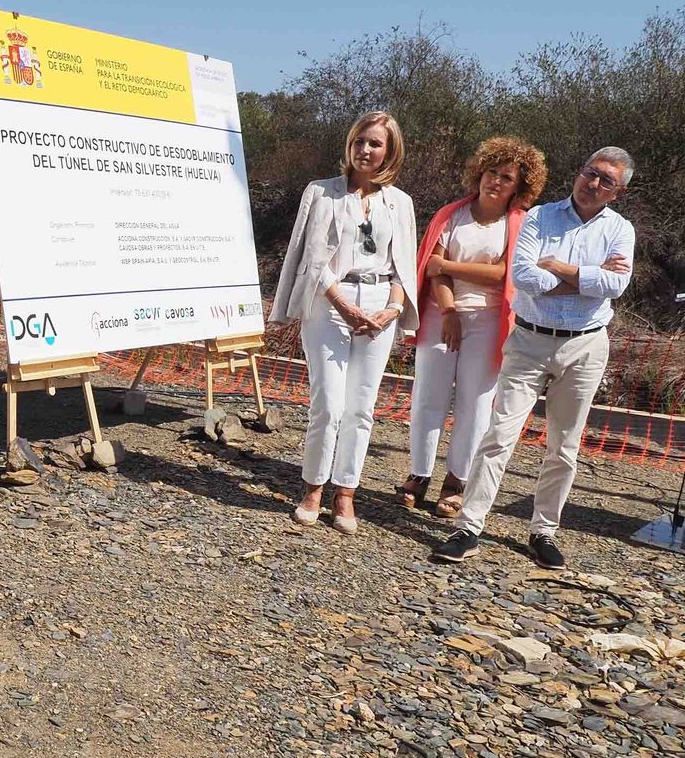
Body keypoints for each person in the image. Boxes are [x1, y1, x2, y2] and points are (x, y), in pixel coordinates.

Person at [431, 148, 636, 568]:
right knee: (499, 435)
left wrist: (559, 267)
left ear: (618, 192)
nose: (593, 184)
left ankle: (543, 531)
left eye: (606, 181)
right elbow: (523, 276)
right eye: (589, 173)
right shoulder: (541, 217)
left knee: (564, 446)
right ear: (579, 172)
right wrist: (586, 276)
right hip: (529, 340)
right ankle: (469, 526)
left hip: (585, 345)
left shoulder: (621, 231)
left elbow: (615, 285)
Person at [272, 111, 419, 532]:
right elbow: (311, 256)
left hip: (380, 304)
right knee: (329, 403)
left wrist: (391, 309)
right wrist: (344, 305)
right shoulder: (321, 193)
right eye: (360, 141)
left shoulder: (400, 202)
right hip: (329, 300)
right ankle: (313, 487)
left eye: (375, 143)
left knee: (361, 407)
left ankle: (346, 493)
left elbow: (402, 264)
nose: (365, 150)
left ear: (390, 151)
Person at [396, 137, 547, 516]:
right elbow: (431, 269)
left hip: (489, 321)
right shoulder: (451, 214)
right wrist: (449, 312)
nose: (495, 181)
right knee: (427, 397)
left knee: (476, 404)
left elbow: (502, 274)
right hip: (440, 313)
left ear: (519, 186)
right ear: (479, 172)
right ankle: (419, 473)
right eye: (492, 172)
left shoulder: (520, 224)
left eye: (507, 177)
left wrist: (448, 266)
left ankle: (457, 480)